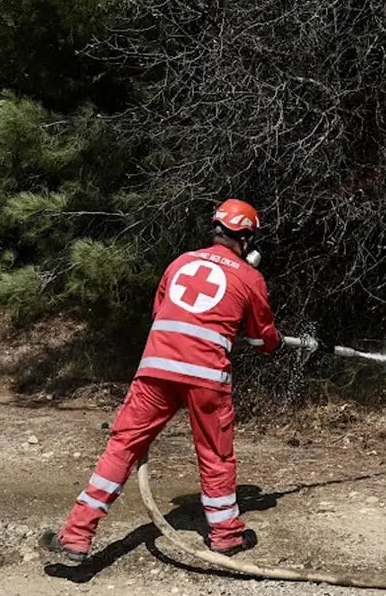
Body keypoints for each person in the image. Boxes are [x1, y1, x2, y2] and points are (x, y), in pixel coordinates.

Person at [41, 199, 284, 564]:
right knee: (216, 455)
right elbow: (262, 339)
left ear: (216, 230)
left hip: (156, 370)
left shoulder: (180, 263)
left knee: (121, 447)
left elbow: (162, 313)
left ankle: (76, 535)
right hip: (205, 378)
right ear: (246, 237)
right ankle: (226, 537)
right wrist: (265, 337)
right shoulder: (249, 277)